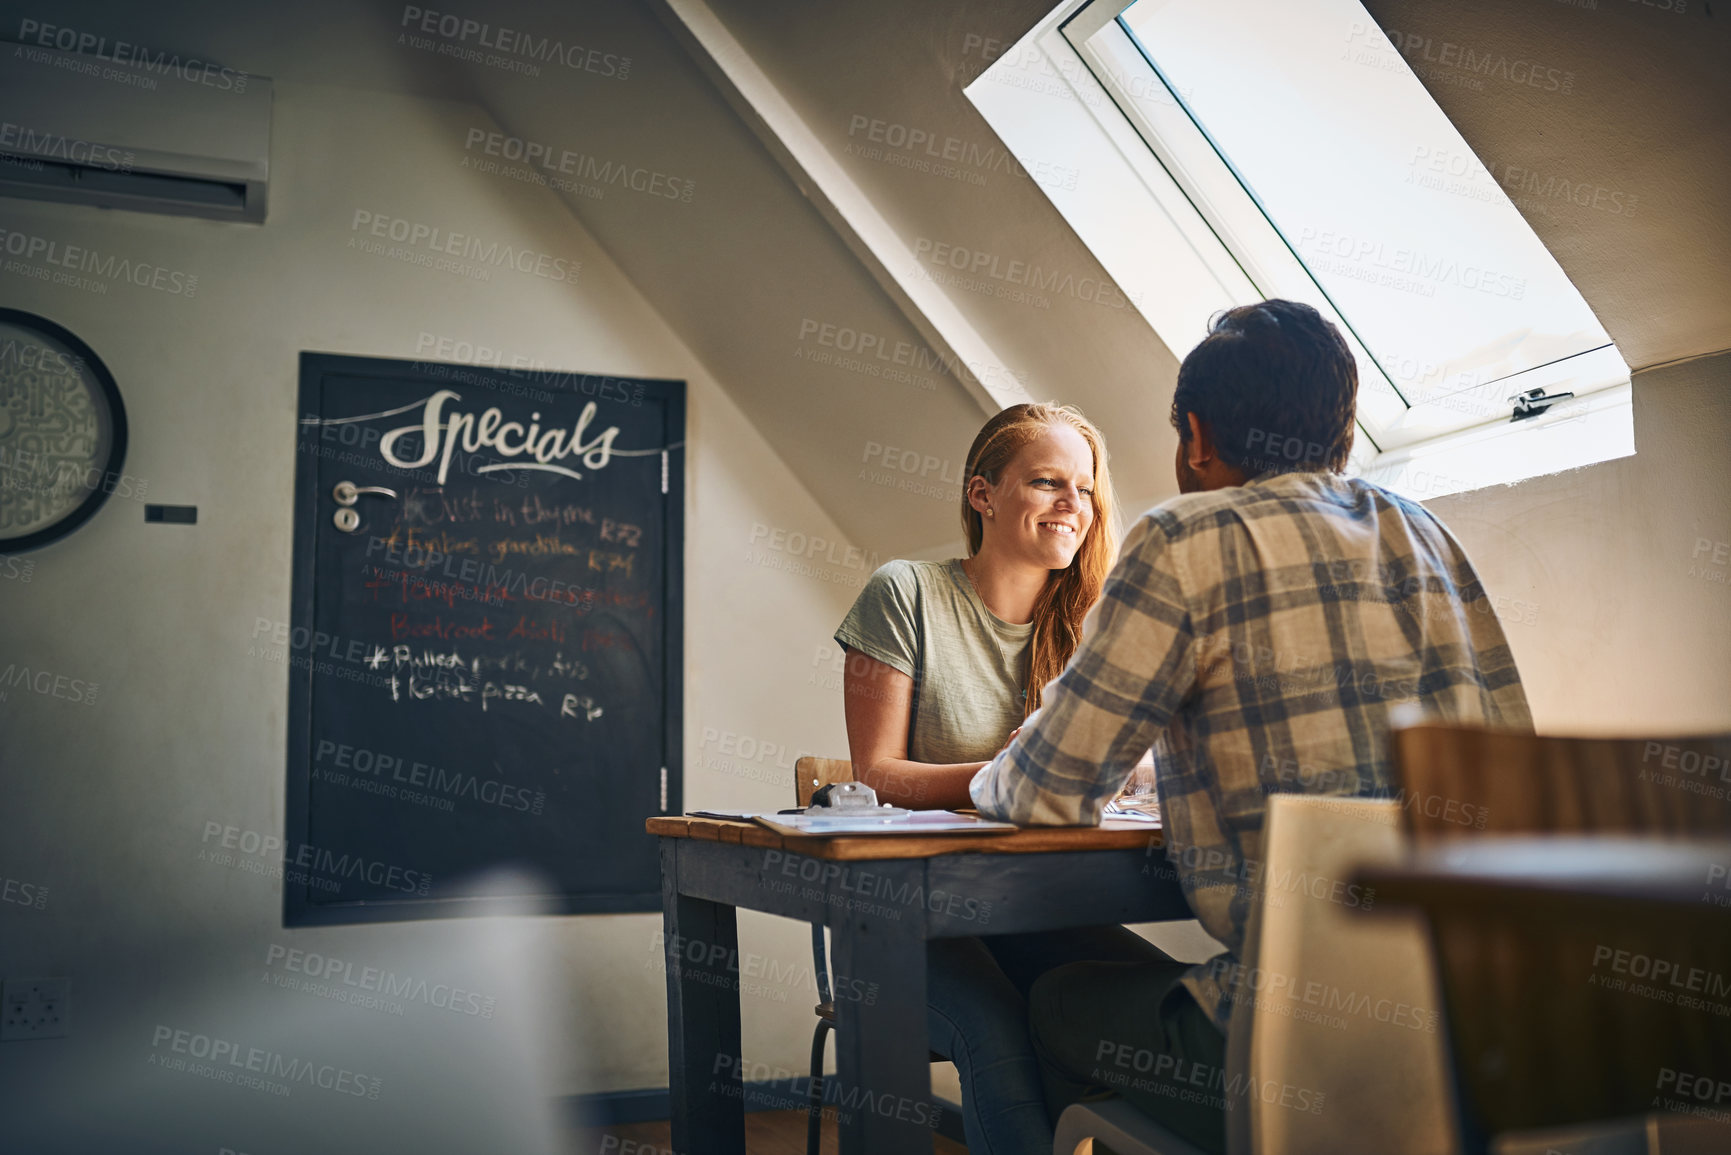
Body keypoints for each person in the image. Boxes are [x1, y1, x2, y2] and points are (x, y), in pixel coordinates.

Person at [970, 300, 1533, 1154]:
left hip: (1310, 1050)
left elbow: (1045, 793)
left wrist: (991, 771)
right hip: (1495, 1038)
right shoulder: (1426, 535)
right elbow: (1515, 768)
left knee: (1056, 996)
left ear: (1196, 438)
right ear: (1342, 427)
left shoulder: (1184, 538)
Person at [833, 401, 1163, 1155]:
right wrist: (1010, 771)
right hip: (896, 915)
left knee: (1167, 1010)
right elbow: (874, 774)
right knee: (999, 1031)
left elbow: (1139, 764)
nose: (1071, 505)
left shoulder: (1094, 619)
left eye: (1084, 489)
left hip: (1037, 906)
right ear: (982, 494)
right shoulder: (905, 591)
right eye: (1048, 481)